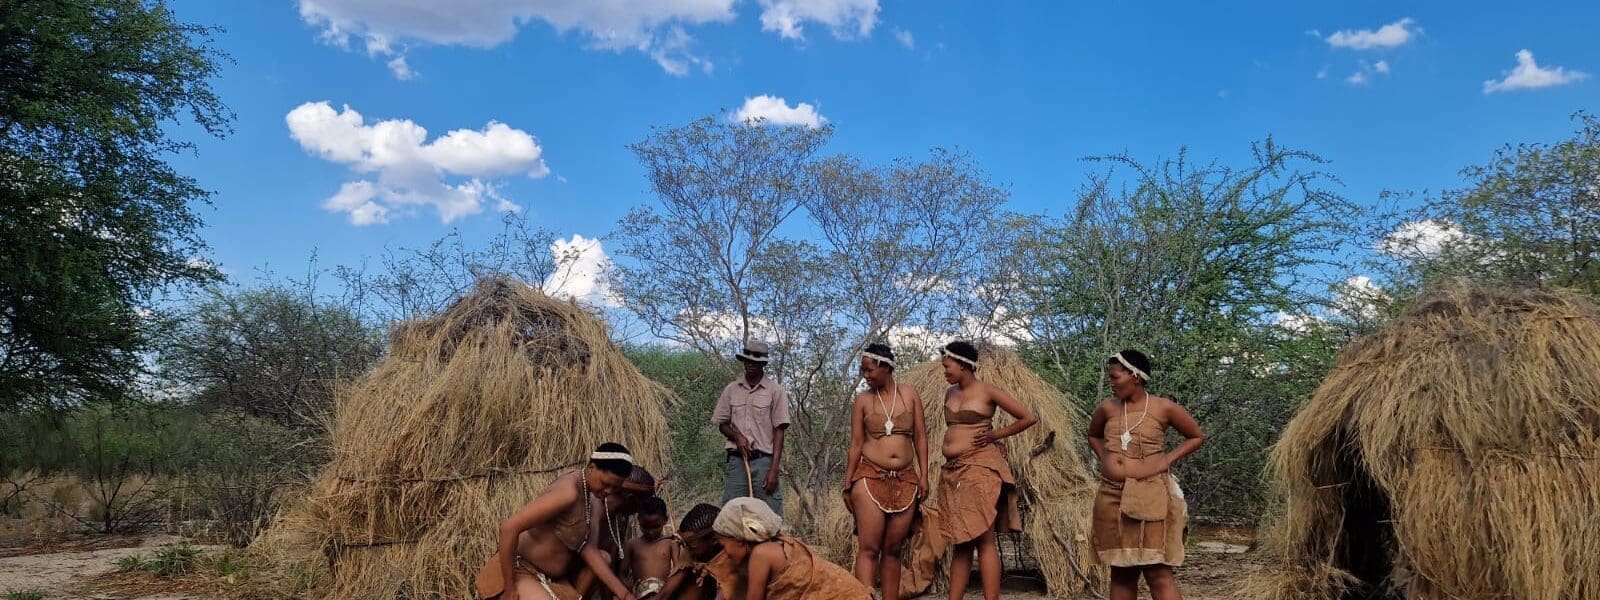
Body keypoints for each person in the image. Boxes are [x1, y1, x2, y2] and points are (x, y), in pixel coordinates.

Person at [1087, 350, 1205, 600]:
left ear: (1136, 376)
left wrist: (1166, 460)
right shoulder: (1107, 408)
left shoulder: (1163, 407)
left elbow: (1196, 437)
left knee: (1157, 571)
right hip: (1111, 496)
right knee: (1121, 570)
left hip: (1150, 494)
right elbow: (1093, 435)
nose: (1111, 382)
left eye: (1115, 377)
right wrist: (1107, 459)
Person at [935, 341, 1038, 600]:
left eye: (947, 366)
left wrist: (995, 435)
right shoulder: (950, 393)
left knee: (983, 539)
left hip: (981, 467)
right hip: (954, 472)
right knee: (961, 541)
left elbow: (1028, 417)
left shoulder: (987, 391)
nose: (945, 371)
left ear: (963, 364)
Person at [478, 443, 639, 600]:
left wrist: (624, 594)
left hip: (553, 579)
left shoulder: (594, 500)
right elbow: (508, 528)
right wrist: (510, 587)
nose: (608, 491)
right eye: (606, 484)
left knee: (603, 557)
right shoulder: (568, 492)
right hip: (521, 569)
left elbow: (588, 549)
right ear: (592, 467)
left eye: (615, 488)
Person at [843, 342, 928, 599]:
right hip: (869, 476)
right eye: (863, 371)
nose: (865, 375)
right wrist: (848, 482)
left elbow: (921, 438)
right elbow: (856, 443)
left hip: (906, 479)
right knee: (869, 548)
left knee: (893, 549)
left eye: (869, 370)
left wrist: (924, 476)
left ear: (884, 366)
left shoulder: (910, 394)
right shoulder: (862, 401)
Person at [703, 497, 871, 599]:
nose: (724, 553)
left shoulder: (762, 554)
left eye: (723, 545)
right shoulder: (775, 546)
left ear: (739, 539)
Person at [711, 339, 790, 514]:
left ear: (762, 363)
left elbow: (779, 431)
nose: (750, 364)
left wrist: (774, 469)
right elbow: (722, 424)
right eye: (746, 360)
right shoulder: (731, 389)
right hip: (737, 461)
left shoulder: (775, 391)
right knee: (731, 515)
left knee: (770, 517)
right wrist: (737, 437)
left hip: (764, 462)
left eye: (754, 361)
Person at [578, 466, 659, 599]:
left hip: (577, 590)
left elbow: (607, 575)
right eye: (641, 505)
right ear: (632, 500)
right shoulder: (589, 508)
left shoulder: (614, 522)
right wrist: (625, 595)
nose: (639, 511)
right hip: (550, 583)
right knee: (602, 557)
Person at [657, 503, 724, 600]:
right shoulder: (691, 551)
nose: (687, 550)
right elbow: (665, 593)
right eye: (685, 545)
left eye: (692, 546)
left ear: (714, 540)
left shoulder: (733, 552)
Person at [623, 497, 679, 599]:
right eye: (646, 526)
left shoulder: (671, 543)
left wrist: (668, 590)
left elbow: (678, 571)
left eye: (656, 527)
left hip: (664, 594)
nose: (651, 531)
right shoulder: (632, 544)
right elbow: (622, 574)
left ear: (665, 520)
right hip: (639, 595)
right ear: (638, 520)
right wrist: (632, 588)